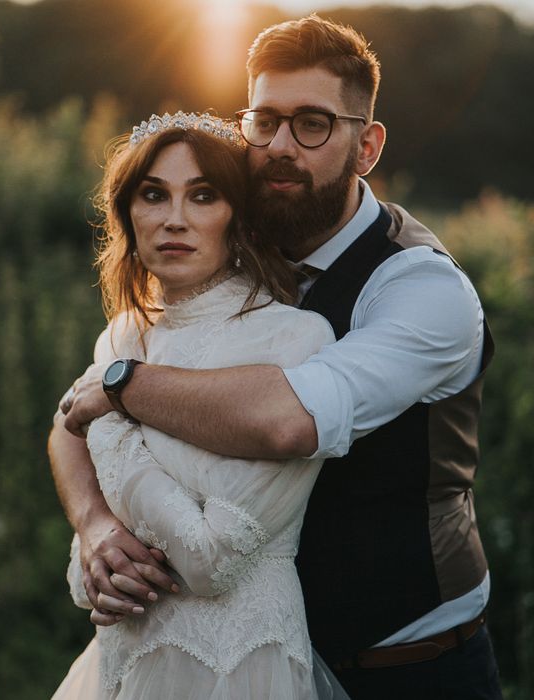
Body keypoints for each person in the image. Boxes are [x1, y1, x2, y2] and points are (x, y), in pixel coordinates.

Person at [54, 15, 503, 700]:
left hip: (408, 662)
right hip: (224, 651)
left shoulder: (421, 290)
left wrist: (121, 385)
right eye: (265, 122)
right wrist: (95, 524)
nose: (281, 147)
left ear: (368, 145)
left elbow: (289, 422)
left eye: (313, 124)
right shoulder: (222, 237)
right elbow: (72, 417)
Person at [50, 112, 347, 699]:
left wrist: (112, 417)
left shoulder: (294, 340)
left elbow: (209, 559)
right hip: (122, 656)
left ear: (238, 217)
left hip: (236, 665)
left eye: (203, 196)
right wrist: (96, 533)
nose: (174, 220)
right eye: (153, 195)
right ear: (127, 215)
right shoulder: (123, 335)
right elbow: (65, 429)